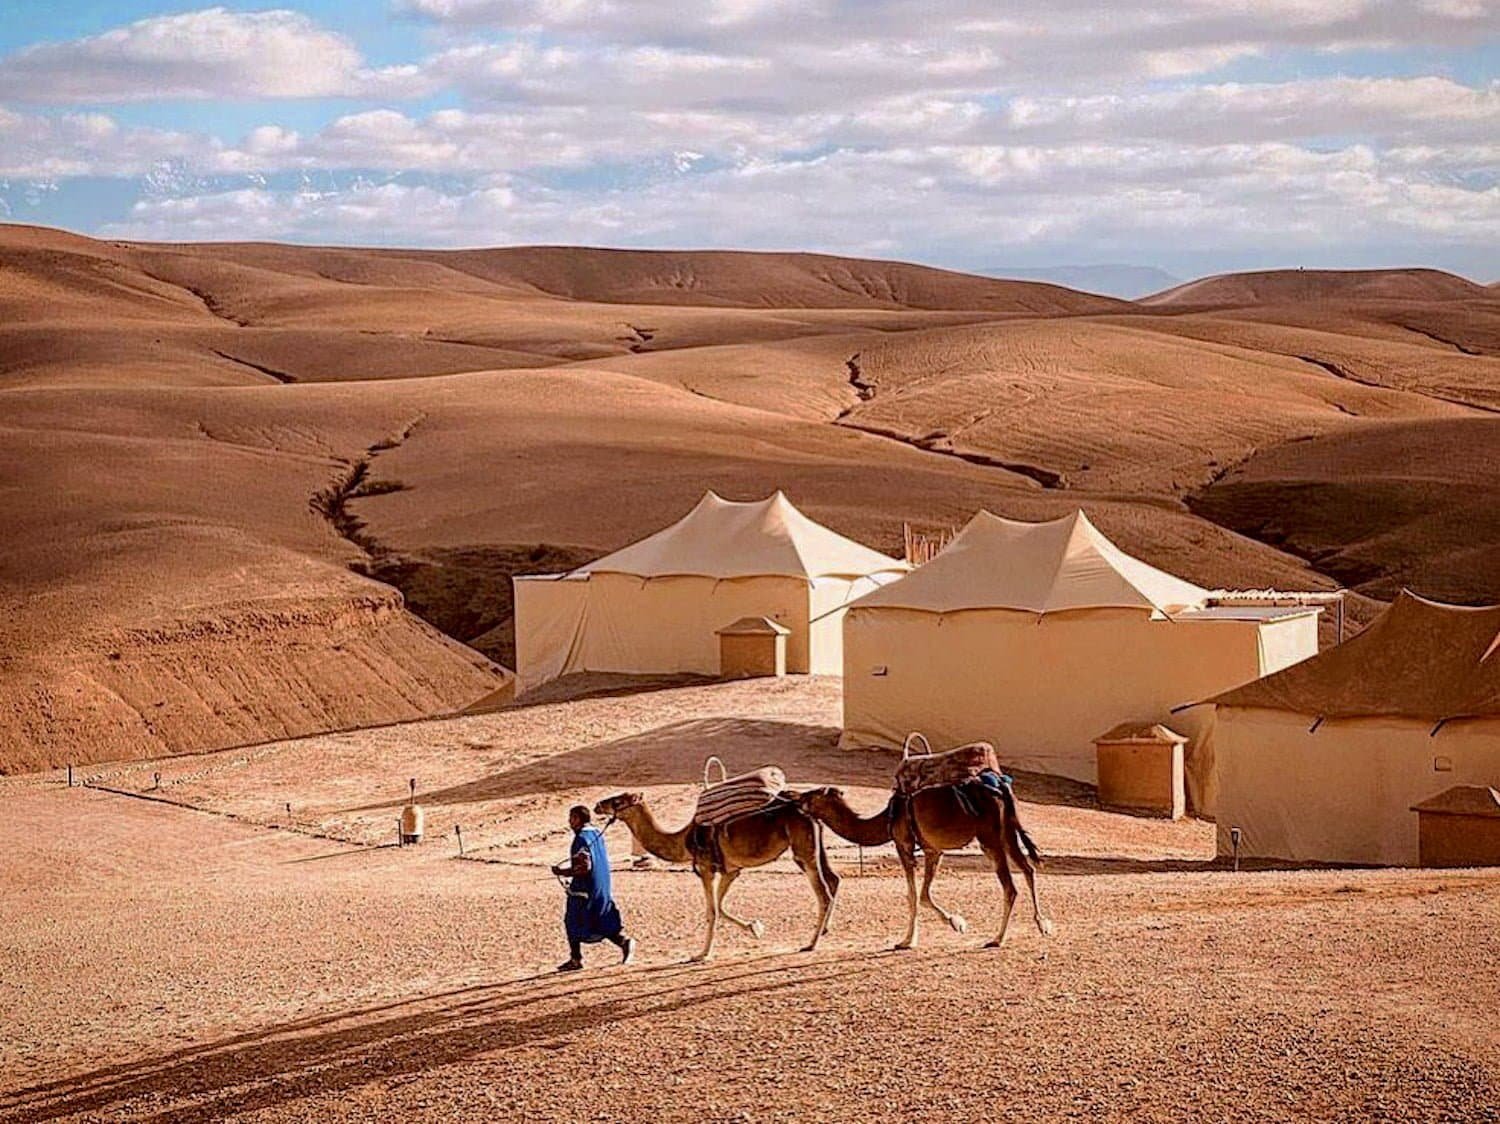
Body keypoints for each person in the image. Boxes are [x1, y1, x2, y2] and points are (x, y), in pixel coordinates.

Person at [551, 805, 636, 972]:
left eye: (571, 818)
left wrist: (562, 872)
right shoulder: (596, 833)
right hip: (601, 886)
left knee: (572, 921)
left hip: (585, 889)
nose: (570, 822)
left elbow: (584, 866)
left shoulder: (581, 838)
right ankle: (623, 942)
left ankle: (576, 959)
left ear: (577, 818)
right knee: (600, 919)